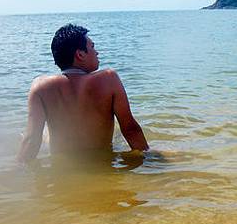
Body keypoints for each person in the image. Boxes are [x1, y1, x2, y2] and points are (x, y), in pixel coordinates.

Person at [16, 24, 148, 163]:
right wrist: (148, 160)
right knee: (117, 136)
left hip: (63, 170)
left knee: (45, 135)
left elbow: (31, 139)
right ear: (80, 54)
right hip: (101, 166)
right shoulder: (108, 79)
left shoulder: (40, 87)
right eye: (92, 47)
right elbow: (130, 129)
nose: (97, 52)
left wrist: (17, 169)